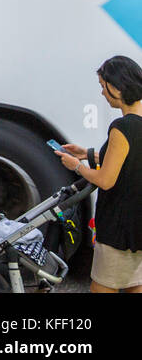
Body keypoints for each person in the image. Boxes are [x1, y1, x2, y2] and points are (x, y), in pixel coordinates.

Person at [55, 55, 142, 293]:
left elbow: (105, 180)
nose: (102, 94)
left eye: (104, 87)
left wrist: (75, 166)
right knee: (136, 286)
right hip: (138, 227)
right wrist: (88, 154)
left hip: (119, 229)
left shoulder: (122, 127)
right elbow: (131, 160)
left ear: (116, 87)